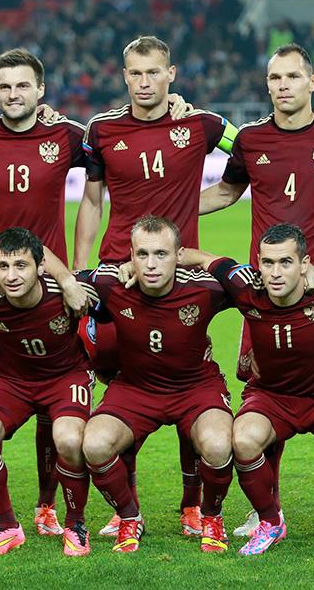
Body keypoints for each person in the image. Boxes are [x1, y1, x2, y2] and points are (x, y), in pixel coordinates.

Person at [198, 42, 314, 537]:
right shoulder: (251, 139)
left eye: (292, 76)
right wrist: (168, 214)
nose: (283, 86)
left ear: (313, 81)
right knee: (266, 391)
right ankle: (267, 510)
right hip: (266, 295)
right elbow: (226, 191)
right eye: (275, 78)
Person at [181, 223, 314, 557]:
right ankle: (271, 522)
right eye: (268, 262)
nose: (274, 273)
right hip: (271, 397)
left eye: (286, 262)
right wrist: (159, 260)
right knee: (243, 440)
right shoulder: (247, 287)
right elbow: (206, 260)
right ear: (258, 262)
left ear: (305, 263)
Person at [79, 216, 234, 553]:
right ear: (130, 256)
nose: (151, 264)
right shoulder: (110, 283)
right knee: (95, 444)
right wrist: (67, 279)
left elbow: (250, 280)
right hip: (136, 389)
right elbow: (59, 280)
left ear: (178, 256)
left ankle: (211, 516)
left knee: (219, 445)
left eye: (161, 254)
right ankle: (129, 517)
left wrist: (201, 257)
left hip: (195, 388)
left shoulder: (205, 288)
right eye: (142, 254)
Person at [0, 227, 95, 557]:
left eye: (21, 265)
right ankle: (7, 526)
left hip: (65, 378)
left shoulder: (67, 293)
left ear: (40, 266)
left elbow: (115, 298)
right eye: (3, 266)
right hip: (12, 380)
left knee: (69, 439)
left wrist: (69, 281)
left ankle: (75, 524)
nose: (11, 276)